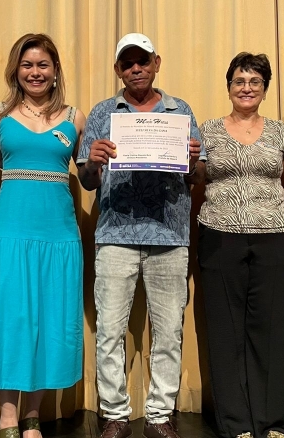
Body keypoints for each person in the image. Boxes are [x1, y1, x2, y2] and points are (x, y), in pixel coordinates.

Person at [77, 33, 205, 438]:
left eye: (143, 61)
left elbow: (197, 177)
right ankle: (114, 414)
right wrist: (93, 162)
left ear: (156, 63)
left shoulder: (179, 110)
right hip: (115, 232)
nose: (136, 68)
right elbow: (87, 181)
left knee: (168, 331)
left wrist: (193, 160)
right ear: (118, 69)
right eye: (127, 62)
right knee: (110, 330)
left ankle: (160, 414)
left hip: (170, 234)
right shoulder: (103, 112)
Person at [0, 33, 85, 438]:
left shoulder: (75, 117)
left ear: (55, 72)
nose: (35, 72)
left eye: (43, 65)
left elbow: (88, 177)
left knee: (51, 320)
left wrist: (104, 161)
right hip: (10, 233)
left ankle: (34, 415)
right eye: (28, 64)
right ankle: (9, 417)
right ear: (16, 69)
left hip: (59, 235)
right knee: (10, 321)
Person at [197, 52, 284, 438]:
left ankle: (271, 422)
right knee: (225, 331)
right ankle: (236, 424)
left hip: (275, 238)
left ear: (264, 89)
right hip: (219, 236)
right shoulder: (206, 130)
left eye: (254, 82)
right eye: (239, 81)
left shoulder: (280, 132)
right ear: (229, 87)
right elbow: (194, 178)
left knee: (272, 330)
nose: (246, 88)